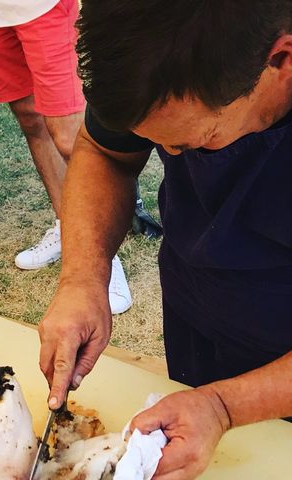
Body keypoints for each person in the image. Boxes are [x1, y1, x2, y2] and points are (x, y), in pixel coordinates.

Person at [39, 1, 292, 478]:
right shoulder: (163, 46)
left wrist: (223, 407)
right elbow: (105, 152)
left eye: (196, 140)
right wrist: (83, 277)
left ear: (281, 60)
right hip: (196, 314)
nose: (171, 153)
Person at [0, 0, 132, 313]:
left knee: (71, 137)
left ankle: (101, 256)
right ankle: (66, 225)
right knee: (30, 119)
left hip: (42, 8)